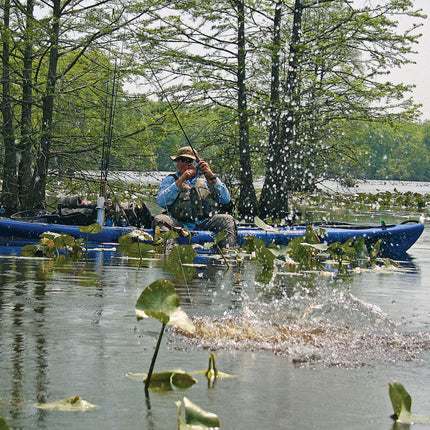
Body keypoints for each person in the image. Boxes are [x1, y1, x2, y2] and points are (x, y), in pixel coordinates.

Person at [154, 146, 237, 248]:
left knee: (227, 220)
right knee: (160, 219)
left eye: (189, 160)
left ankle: (227, 254)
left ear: (195, 163)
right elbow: (161, 202)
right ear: (177, 163)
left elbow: (225, 199)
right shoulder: (170, 180)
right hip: (178, 223)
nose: (185, 164)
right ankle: (170, 252)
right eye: (181, 160)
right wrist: (181, 180)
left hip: (205, 222)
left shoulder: (207, 178)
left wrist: (211, 175)